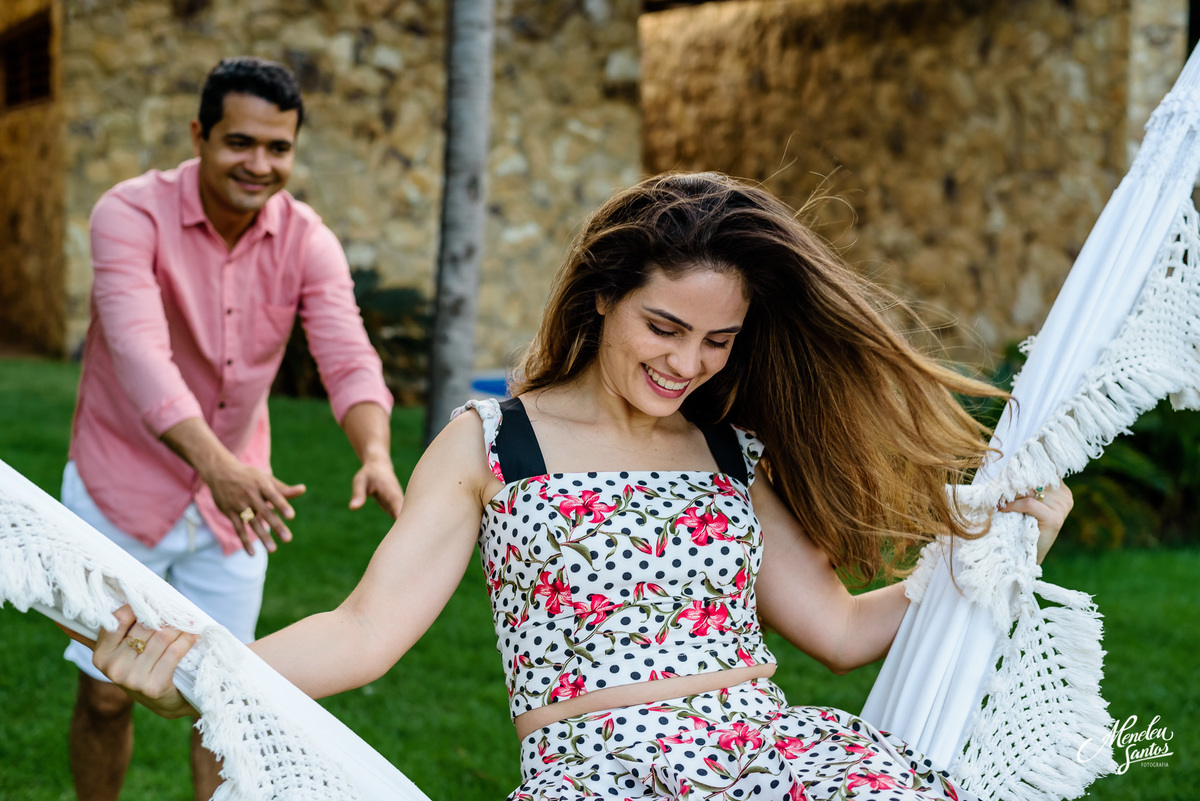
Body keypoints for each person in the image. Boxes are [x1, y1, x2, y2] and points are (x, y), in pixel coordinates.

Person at [77, 173, 1071, 800]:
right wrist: (202, 671)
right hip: (600, 775)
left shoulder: (732, 452)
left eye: (718, 342)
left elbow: (844, 634)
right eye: (665, 329)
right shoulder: (495, 446)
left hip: (778, 763)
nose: (688, 364)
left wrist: (1007, 552)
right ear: (604, 299)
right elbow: (365, 632)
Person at [63, 56, 403, 801]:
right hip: (117, 483)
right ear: (199, 135)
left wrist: (373, 452)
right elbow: (138, 353)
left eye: (278, 148)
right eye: (239, 143)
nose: (259, 164)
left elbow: (346, 352)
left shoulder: (308, 238)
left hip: (232, 509)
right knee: (106, 691)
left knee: (227, 704)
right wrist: (216, 466)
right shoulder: (128, 212)